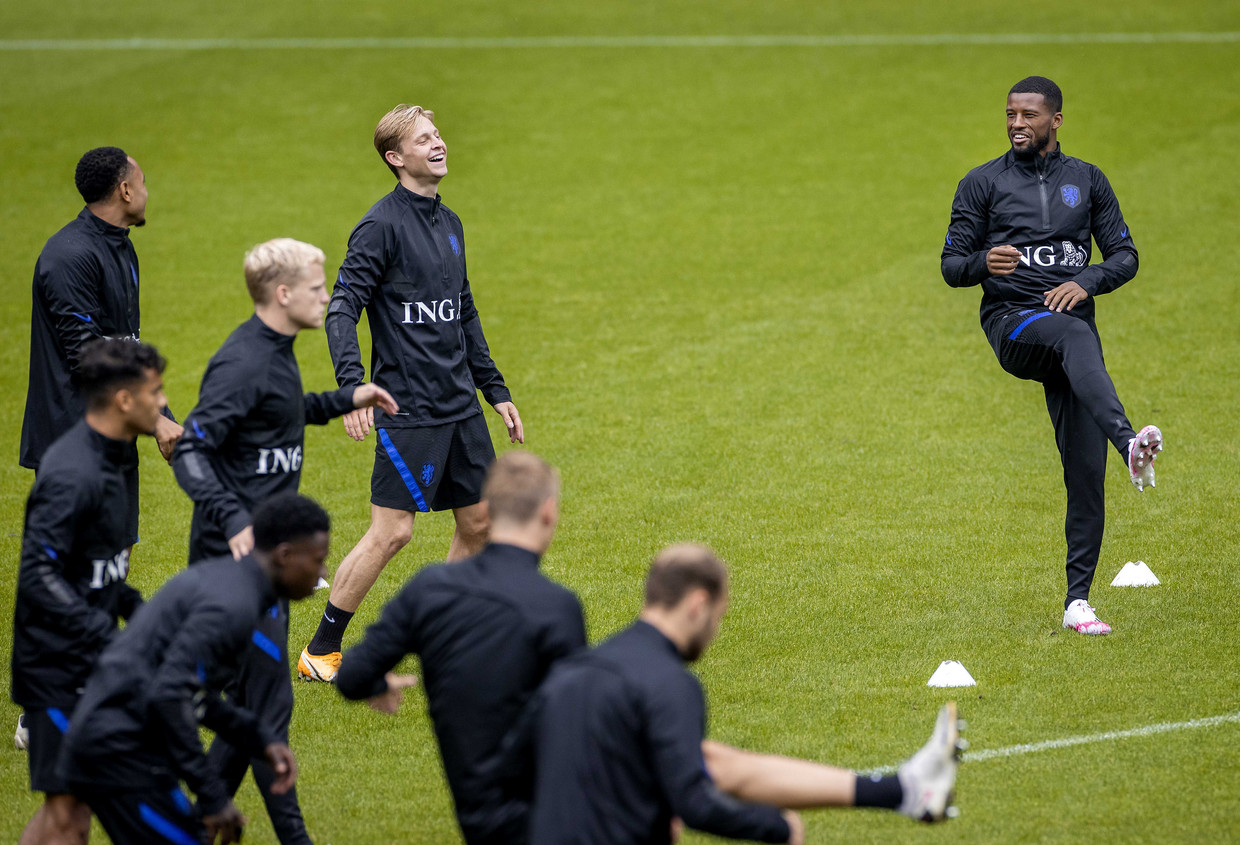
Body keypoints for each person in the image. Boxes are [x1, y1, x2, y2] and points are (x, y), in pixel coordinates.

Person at [171, 238, 397, 844]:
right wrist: (233, 519)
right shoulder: (244, 361)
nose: (328, 296)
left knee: (249, 712)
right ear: (283, 294)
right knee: (268, 714)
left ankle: (189, 826)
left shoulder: (274, 352)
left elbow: (277, 412)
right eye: (319, 286)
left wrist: (345, 399)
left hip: (262, 570)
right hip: (234, 571)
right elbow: (192, 446)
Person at [524, 545, 961, 844]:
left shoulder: (576, 671)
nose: (714, 631)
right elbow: (695, 803)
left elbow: (709, 767)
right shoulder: (669, 683)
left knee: (711, 757)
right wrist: (777, 826)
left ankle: (902, 790)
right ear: (697, 605)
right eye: (718, 615)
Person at [300, 104, 523, 682]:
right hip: (409, 409)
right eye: (424, 139)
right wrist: (353, 386)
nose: (439, 143)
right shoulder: (380, 227)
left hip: (459, 408)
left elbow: (463, 312)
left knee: (479, 524)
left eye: (439, 134)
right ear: (395, 158)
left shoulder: (451, 225)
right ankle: (321, 649)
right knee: (394, 531)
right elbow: (342, 307)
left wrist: (493, 389)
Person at [940, 76, 1162, 635]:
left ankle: (1077, 603)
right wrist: (982, 262)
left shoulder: (1087, 182)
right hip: (1015, 325)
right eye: (1011, 114)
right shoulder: (981, 184)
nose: (1018, 123)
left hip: (1072, 339)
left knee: (1085, 473)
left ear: (1055, 120)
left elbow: (1125, 255)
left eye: (1030, 115)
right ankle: (1128, 440)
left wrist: (1088, 279)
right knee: (1069, 334)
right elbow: (951, 265)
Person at [335, 451, 585, 844]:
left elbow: (351, 675)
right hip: (549, 813)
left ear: (486, 510)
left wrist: (377, 684)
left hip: (476, 810)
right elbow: (576, 722)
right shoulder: (556, 607)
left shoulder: (430, 589)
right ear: (548, 512)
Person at [59, 493, 331, 845]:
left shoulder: (232, 583)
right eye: (319, 560)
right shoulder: (233, 607)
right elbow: (170, 696)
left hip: (119, 737)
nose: (323, 572)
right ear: (284, 556)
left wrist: (256, 737)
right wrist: (215, 798)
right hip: (115, 747)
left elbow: (189, 693)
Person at [11, 339, 166, 845]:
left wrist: (135, 608)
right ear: (124, 400)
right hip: (55, 667)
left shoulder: (116, 454)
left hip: (89, 662)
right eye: (156, 392)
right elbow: (39, 575)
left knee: (69, 810)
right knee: (68, 817)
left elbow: (100, 566)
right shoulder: (71, 473)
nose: (163, 404)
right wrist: (107, 631)